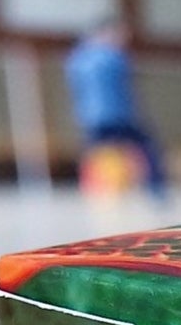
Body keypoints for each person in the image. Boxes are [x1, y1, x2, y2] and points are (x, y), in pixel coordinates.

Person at [65, 17, 166, 200]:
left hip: (89, 117)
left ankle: (93, 190)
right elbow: (125, 87)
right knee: (146, 147)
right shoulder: (113, 57)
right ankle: (156, 190)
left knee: (94, 153)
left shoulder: (77, 58)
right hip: (117, 115)